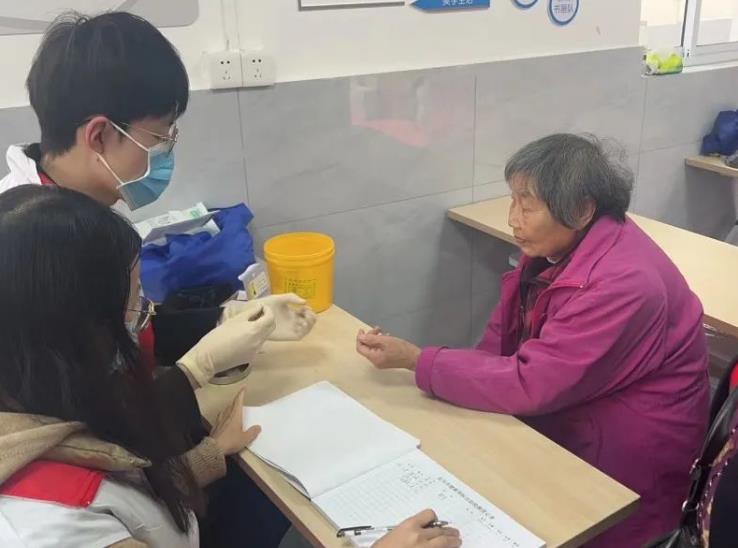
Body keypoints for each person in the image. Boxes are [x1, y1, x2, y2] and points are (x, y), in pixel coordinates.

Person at [0, 13, 317, 546]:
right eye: (160, 136)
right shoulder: (29, 252)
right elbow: (82, 404)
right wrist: (195, 372)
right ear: (99, 134)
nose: (167, 150)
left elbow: (123, 325)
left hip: (141, 466)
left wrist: (226, 317)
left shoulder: (83, 217)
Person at [0, 185, 462, 548]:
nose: (143, 318)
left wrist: (209, 454)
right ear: (75, 333)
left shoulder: (37, 406)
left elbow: (122, 474)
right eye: (135, 302)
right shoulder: (56, 529)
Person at [356, 134, 710, 547]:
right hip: (577, 408)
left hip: (627, 459)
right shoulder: (558, 248)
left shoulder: (624, 283)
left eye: (527, 206)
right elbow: (500, 341)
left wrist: (418, 361)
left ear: (582, 209)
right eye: (513, 200)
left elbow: (532, 383)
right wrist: (450, 379)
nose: (512, 218)